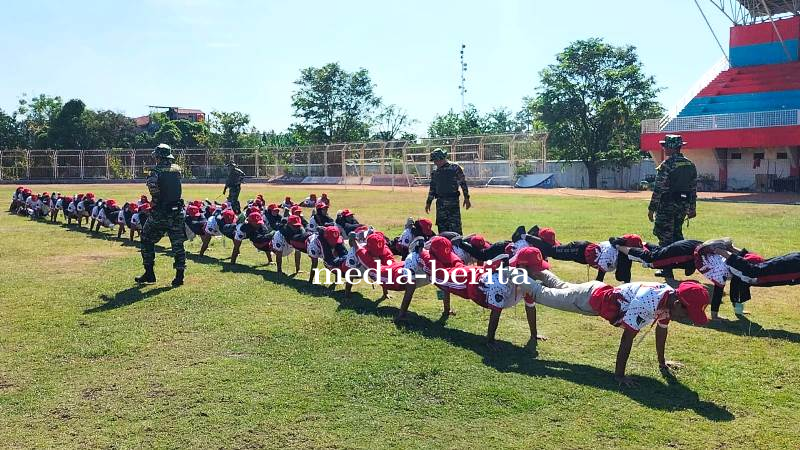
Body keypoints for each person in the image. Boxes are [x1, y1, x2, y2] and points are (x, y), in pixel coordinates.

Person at [517, 246, 710, 386]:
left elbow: (662, 329)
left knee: (560, 287)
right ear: (678, 304)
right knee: (541, 294)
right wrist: (619, 376)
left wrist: (662, 362)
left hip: (595, 291)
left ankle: (534, 269)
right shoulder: (649, 302)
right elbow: (627, 339)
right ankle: (511, 272)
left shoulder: (669, 297)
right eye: (688, 314)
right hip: (588, 301)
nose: (687, 319)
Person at [136, 144, 187, 287]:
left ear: (158, 157)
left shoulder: (155, 171)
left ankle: (149, 273)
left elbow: (154, 190)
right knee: (177, 244)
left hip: (161, 212)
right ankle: (179, 276)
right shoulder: (177, 170)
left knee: (146, 238)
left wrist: (154, 203)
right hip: (177, 211)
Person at [648, 134, 697, 278]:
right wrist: (692, 208)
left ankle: (666, 268)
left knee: (665, 237)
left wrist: (651, 208)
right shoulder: (690, 164)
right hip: (682, 206)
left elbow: (658, 189)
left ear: (671, 147)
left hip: (667, 206)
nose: (663, 148)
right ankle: (689, 262)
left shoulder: (667, 164)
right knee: (677, 235)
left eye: (665, 146)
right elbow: (693, 189)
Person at [425, 147, 471, 235]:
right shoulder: (435, 172)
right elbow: (432, 188)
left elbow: (463, 183)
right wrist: (428, 202)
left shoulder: (455, 168)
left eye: (435, 160)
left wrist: (466, 198)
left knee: (455, 228)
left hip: (453, 203)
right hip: (441, 203)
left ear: (441, 159)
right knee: (442, 229)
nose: (434, 163)